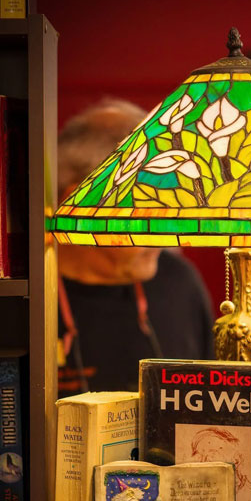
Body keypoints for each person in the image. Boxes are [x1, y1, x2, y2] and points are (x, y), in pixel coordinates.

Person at [57, 98, 214, 395]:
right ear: (77, 205)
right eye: (147, 206)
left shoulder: (180, 281)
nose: (166, 233)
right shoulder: (24, 297)